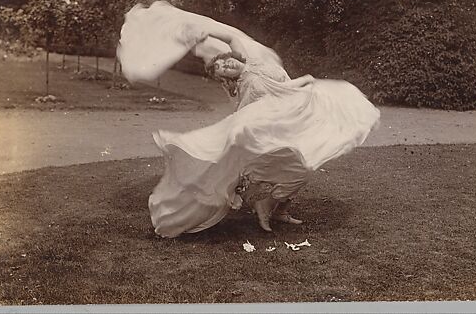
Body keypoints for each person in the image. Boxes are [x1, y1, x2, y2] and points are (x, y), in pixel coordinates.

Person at [148, 24, 381, 237]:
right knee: (301, 168)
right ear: (225, 79)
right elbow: (251, 117)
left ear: (231, 57)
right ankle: (265, 204)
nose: (226, 66)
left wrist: (205, 33)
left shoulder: (252, 62)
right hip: (279, 130)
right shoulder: (245, 90)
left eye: (225, 62)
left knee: (308, 163)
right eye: (222, 70)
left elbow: (231, 36)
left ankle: (276, 208)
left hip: (297, 115)